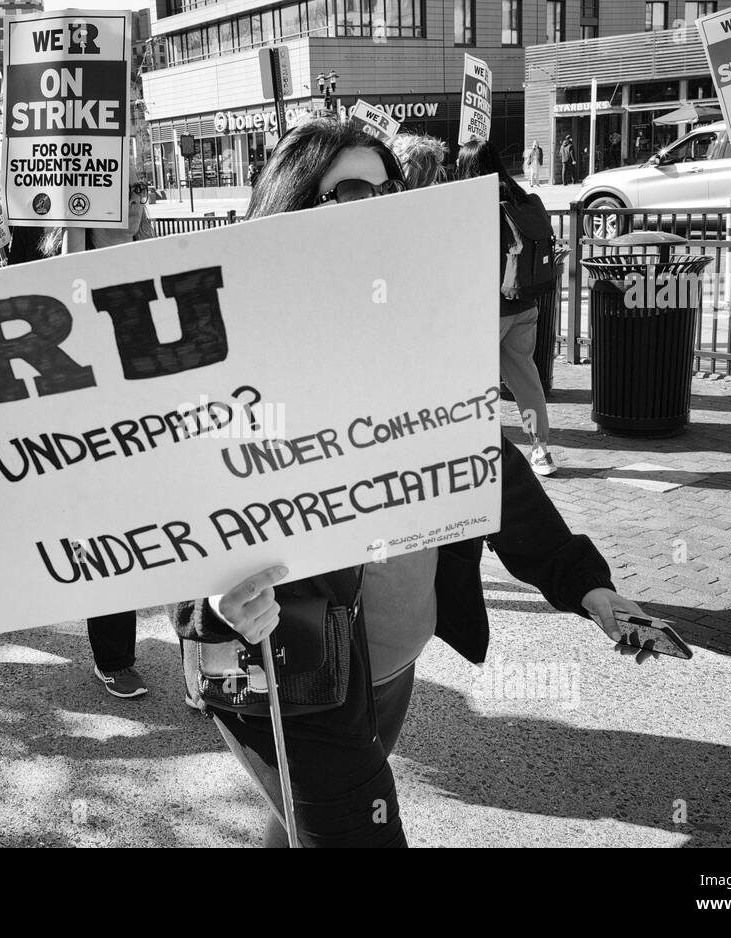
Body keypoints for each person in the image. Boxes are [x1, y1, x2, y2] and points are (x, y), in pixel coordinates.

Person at [171, 116, 657, 848]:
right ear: (290, 209)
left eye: (388, 186)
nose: (380, 203)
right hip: (284, 668)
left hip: (389, 661)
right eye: (352, 190)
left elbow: (485, 470)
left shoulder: (410, 329)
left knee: (301, 822)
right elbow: (164, 508)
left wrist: (586, 586)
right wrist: (212, 600)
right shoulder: (229, 355)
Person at [20, 179, 157, 698]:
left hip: (161, 423)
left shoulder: (163, 260)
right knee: (111, 539)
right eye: (122, 189)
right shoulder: (50, 281)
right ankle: (114, 658)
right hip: (94, 436)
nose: (135, 199)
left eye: (140, 188)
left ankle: (204, 661)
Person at [457, 138, 558, 477]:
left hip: (489, 311)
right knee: (526, 381)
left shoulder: (478, 202)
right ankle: (541, 449)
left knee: (470, 386)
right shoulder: (519, 196)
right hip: (525, 305)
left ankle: (475, 453)